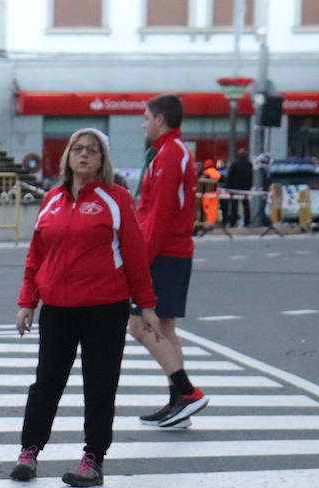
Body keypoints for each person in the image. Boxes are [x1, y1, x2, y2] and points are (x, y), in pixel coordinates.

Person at [9, 129, 162, 487]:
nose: (83, 155)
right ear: (67, 157)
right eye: (77, 149)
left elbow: (136, 258)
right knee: (46, 383)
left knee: (100, 385)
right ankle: (29, 451)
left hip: (105, 308)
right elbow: (36, 255)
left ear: (102, 159)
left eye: (91, 150)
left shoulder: (116, 199)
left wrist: (148, 306)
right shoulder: (52, 200)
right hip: (58, 308)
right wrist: (27, 302)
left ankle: (93, 459)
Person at [129, 93, 208, 429]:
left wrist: (138, 264)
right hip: (170, 252)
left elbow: (158, 216)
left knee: (138, 325)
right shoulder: (169, 151)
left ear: (159, 119)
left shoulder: (170, 154)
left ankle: (187, 393)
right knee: (164, 328)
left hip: (164, 253)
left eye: (146, 117)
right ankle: (180, 403)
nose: (143, 123)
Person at [223, 148, 253, 228]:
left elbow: (230, 176)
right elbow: (251, 176)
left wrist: (227, 187)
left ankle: (233, 222)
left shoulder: (235, 163)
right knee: (246, 205)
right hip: (245, 188)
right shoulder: (249, 164)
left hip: (235, 188)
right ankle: (247, 222)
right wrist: (249, 186)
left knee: (234, 206)